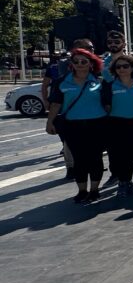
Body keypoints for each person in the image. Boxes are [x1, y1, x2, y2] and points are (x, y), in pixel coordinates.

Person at [45, 48, 107, 203]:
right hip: (72, 126)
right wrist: (50, 122)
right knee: (79, 159)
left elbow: (107, 104)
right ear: (71, 64)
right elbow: (56, 104)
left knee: (95, 158)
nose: (80, 64)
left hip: (97, 125)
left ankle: (94, 190)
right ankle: (82, 191)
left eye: (84, 61)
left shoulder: (100, 81)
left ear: (91, 64)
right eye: (76, 61)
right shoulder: (62, 81)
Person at [101, 30, 133, 184]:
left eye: (117, 42)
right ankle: (115, 174)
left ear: (124, 43)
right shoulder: (101, 63)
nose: (113, 45)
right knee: (113, 147)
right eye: (110, 42)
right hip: (113, 112)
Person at [42, 38, 94, 180]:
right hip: (70, 114)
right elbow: (53, 91)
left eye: (91, 48)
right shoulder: (64, 66)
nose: (91, 50)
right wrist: (49, 117)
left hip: (92, 115)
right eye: (87, 48)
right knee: (69, 142)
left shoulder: (96, 67)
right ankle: (72, 167)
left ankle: (90, 167)